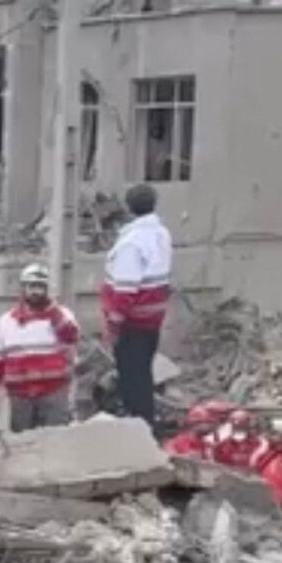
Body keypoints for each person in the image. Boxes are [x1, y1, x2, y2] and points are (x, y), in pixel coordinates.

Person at [104, 183, 174, 427]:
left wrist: (113, 326)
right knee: (143, 374)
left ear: (129, 208)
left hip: (132, 322)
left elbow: (125, 290)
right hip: (153, 320)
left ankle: (138, 428)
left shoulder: (131, 243)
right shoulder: (161, 234)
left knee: (132, 378)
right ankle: (145, 422)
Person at [0, 263, 81, 430]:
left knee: (54, 441)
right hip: (20, 395)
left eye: (41, 287)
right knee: (24, 445)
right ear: (23, 289)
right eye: (32, 286)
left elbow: (71, 337)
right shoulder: (7, 321)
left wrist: (53, 313)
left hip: (54, 391)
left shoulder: (62, 315)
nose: (36, 291)